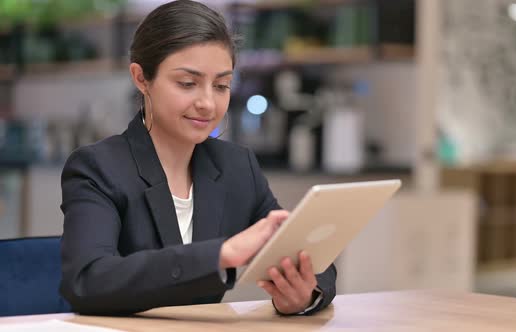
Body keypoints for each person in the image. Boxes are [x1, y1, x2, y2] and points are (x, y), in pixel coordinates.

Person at [59, 0, 336, 316]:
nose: (207, 102)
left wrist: (301, 295)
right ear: (141, 78)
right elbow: (87, 281)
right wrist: (221, 255)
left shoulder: (236, 166)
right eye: (187, 83)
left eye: (221, 85)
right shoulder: (99, 168)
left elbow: (313, 261)